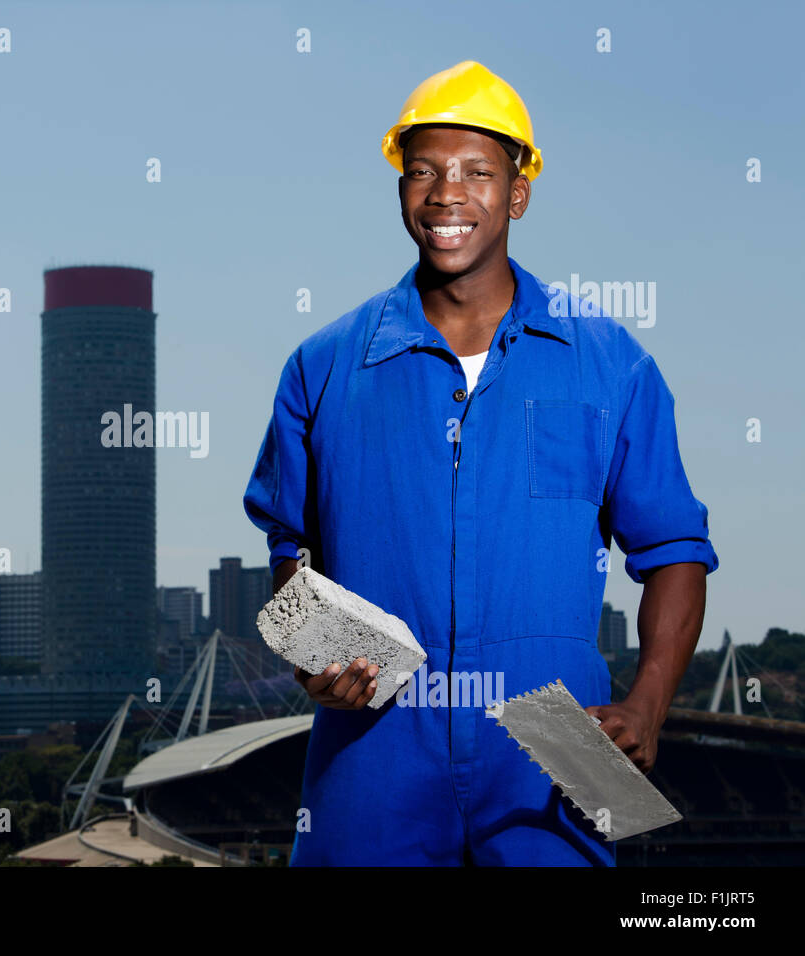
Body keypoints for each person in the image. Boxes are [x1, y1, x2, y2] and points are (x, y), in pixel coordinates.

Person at [242, 60, 717, 866]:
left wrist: (646, 705)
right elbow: (292, 556)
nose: (444, 195)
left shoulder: (610, 364)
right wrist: (314, 658)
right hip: (375, 742)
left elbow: (673, 551)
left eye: (475, 173)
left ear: (518, 194)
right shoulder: (322, 368)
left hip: (558, 740)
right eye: (422, 171)